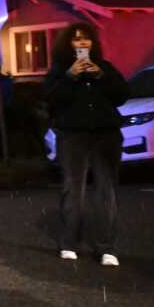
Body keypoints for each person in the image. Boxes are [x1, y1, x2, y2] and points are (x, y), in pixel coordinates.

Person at [44, 22, 128, 266]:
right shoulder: (60, 71)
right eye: (76, 39)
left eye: (86, 39)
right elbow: (51, 98)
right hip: (73, 136)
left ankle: (106, 247)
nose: (82, 43)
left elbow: (122, 94)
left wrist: (100, 75)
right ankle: (70, 243)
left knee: (106, 191)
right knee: (73, 189)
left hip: (106, 136)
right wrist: (71, 76)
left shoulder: (105, 68)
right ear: (68, 44)